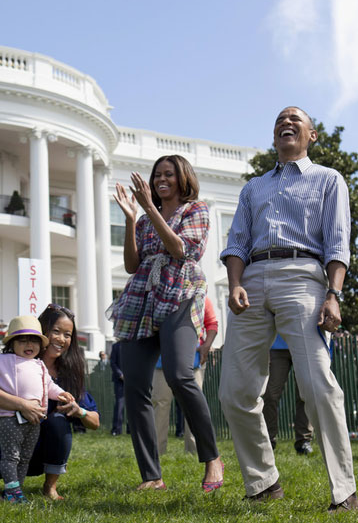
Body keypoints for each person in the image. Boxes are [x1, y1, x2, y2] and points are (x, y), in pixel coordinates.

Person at [218, 107, 358, 512]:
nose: (287, 123)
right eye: (281, 119)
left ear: (311, 135)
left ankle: (344, 490)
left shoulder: (328, 180)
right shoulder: (252, 188)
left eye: (296, 119)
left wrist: (334, 295)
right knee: (234, 391)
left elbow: (337, 242)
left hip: (303, 277)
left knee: (317, 385)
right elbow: (236, 242)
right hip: (252, 281)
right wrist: (235, 284)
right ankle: (263, 482)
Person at [108, 155, 223, 492]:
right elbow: (131, 265)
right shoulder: (145, 221)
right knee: (135, 386)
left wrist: (149, 209)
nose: (161, 179)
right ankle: (152, 476)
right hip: (142, 297)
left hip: (180, 293)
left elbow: (180, 250)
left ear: (182, 178)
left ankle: (212, 458)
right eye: (157, 174)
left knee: (179, 375)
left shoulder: (195, 210)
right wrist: (131, 219)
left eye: (168, 174)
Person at [0, 303, 100, 501]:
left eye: (67, 335)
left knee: (58, 421)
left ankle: (46, 487)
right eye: (56, 331)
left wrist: (79, 411)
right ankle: (9, 484)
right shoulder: (9, 359)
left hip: (40, 449)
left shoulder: (63, 374)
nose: (61, 339)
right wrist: (22, 405)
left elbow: (94, 420)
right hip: (8, 439)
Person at [152, 296, 219, 456]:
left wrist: (207, 345)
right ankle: (157, 453)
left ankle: (195, 451)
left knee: (193, 404)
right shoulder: (159, 296)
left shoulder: (202, 298)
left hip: (192, 362)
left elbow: (212, 324)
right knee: (160, 403)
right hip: (162, 360)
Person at [261, 335, 313, 455]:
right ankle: (269, 439)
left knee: (304, 394)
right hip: (275, 346)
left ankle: (303, 441)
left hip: (302, 343)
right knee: (270, 395)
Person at [109, 340, 125, 436]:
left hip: (133, 380)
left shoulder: (133, 345)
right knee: (119, 405)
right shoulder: (116, 346)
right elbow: (113, 362)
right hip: (120, 381)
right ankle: (116, 429)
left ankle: (131, 429)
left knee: (134, 406)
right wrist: (120, 375)